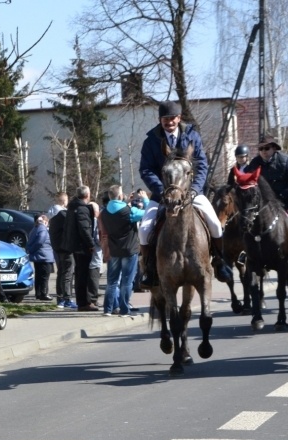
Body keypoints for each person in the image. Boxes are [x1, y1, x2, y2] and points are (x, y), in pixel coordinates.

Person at [138, 100, 233, 287]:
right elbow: (146, 170)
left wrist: (196, 189)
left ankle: (220, 262)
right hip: (162, 195)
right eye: (165, 119)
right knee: (144, 230)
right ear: (160, 120)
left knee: (215, 223)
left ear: (179, 118)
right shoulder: (151, 141)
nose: (169, 122)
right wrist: (162, 191)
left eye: (172, 118)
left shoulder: (192, 136)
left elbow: (201, 165)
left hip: (190, 192)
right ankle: (149, 269)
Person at [101, 186, 145, 317]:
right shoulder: (129, 211)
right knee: (127, 281)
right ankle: (124, 310)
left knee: (112, 281)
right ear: (120, 196)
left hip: (114, 249)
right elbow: (147, 212)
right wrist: (145, 199)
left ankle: (108, 309)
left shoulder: (104, 212)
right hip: (129, 249)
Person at [64, 186, 98, 311]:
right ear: (87, 195)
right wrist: (91, 244)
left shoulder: (72, 207)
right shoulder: (82, 209)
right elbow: (84, 229)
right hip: (82, 247)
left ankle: (83, 301)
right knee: (83, 275)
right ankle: (84, 303)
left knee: (80, 275)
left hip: (76, 245)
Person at [48, 193, 77, 309]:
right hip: (66, 248)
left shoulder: (51, 214)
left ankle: (60, 298)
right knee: (68, 273)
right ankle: (67, 298)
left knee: (61, 273)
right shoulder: (63, 215)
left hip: (57, 248)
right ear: (65, 201)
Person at [244, 137, 288, 208]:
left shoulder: (285, 161)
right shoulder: (254, 163)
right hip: (263, 202)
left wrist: (282, 195)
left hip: (284, 201)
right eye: (261, 149)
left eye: (267, 148)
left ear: (274, 148)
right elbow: (247, 179)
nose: (263, 151)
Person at [26, 214, 54, 301]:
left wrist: (31, 250)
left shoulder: (35, 228)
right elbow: (40, 240)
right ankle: (44, 293)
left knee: (38, 276)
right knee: (45, 276)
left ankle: (38, 293)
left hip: (38, 256)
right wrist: (33, 249)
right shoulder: (43, 229)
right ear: (45, 221)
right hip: (44, 256)